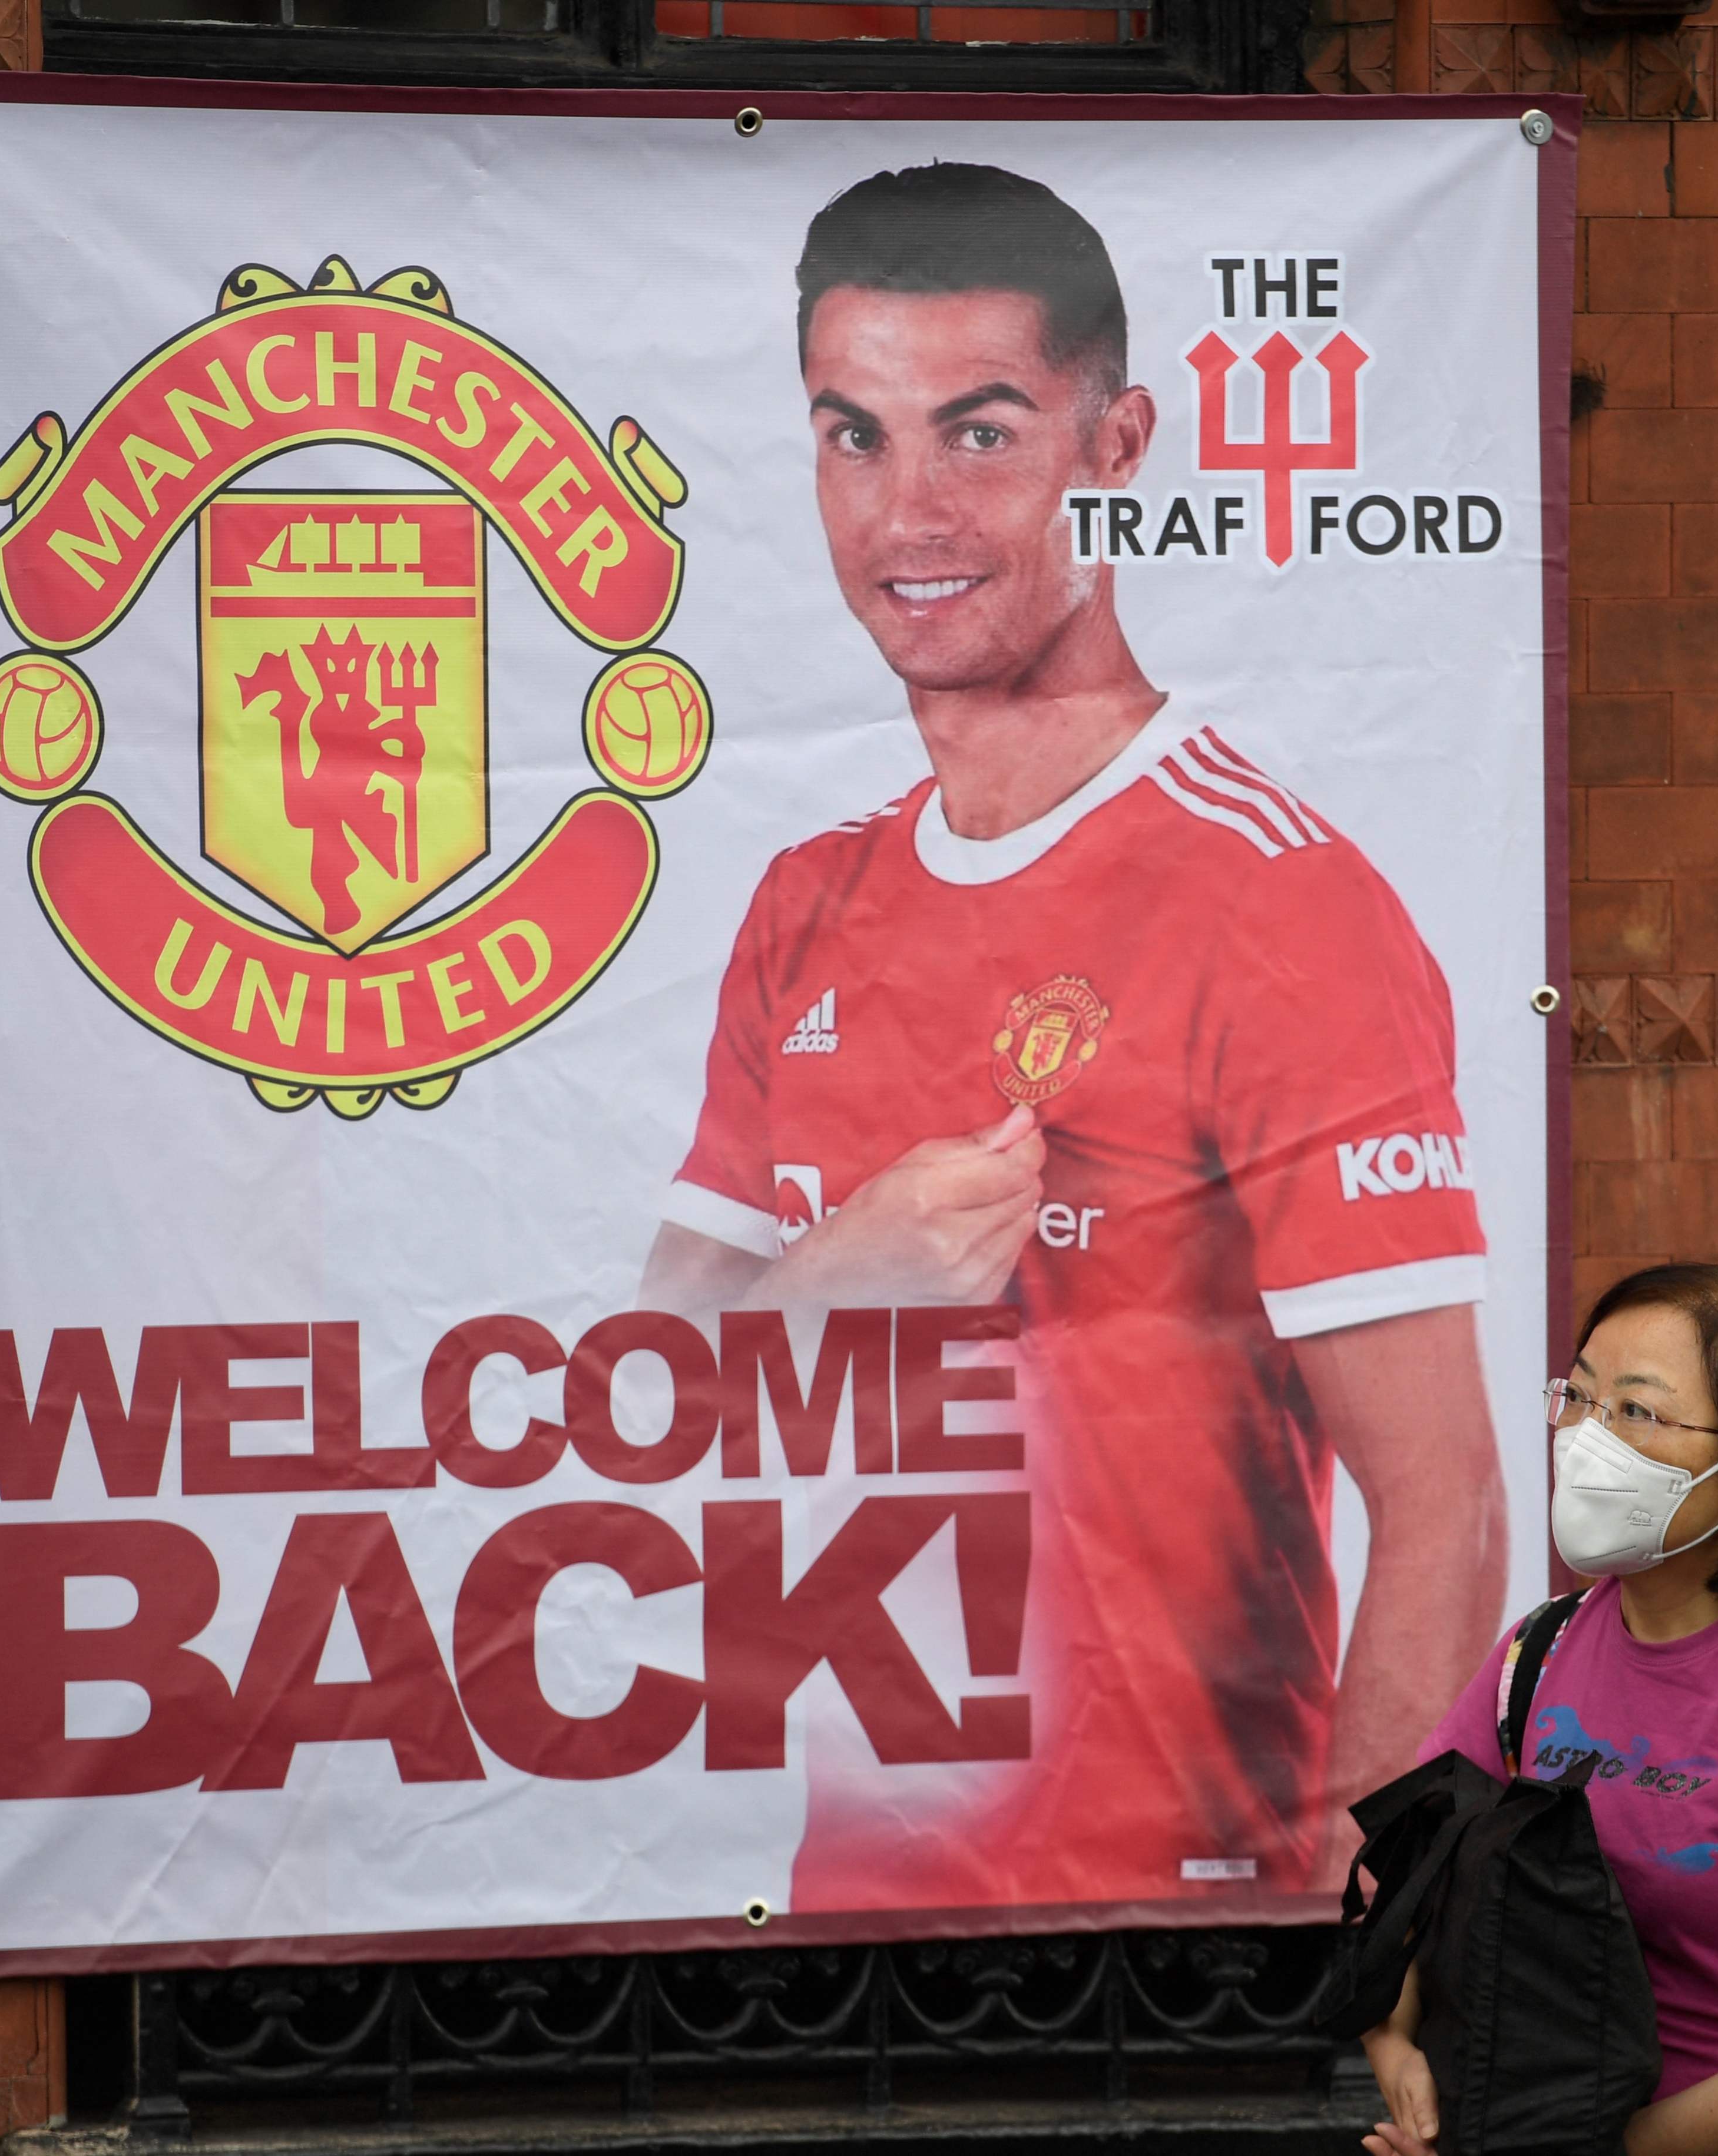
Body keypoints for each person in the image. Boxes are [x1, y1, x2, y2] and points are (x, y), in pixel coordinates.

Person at [639, 161, 1508, 1909]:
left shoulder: (1273, 901)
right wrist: (838, 1276)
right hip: (840, 1909)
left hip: (1175, 1921)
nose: (909, 511)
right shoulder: (805, 903)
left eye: (978, 432)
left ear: (1115, 448)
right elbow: (632, 1414)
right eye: (854, 435)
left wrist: (1349, 1926)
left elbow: (1448, 1510)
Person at [1369, 1264, 1718, 2156]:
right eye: (1579, 1396)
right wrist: (1398, 2051)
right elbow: (1408, 1878)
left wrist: (1595, 2153)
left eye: (1636, 1411)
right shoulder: (1537, 1655)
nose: (1587, 1438)